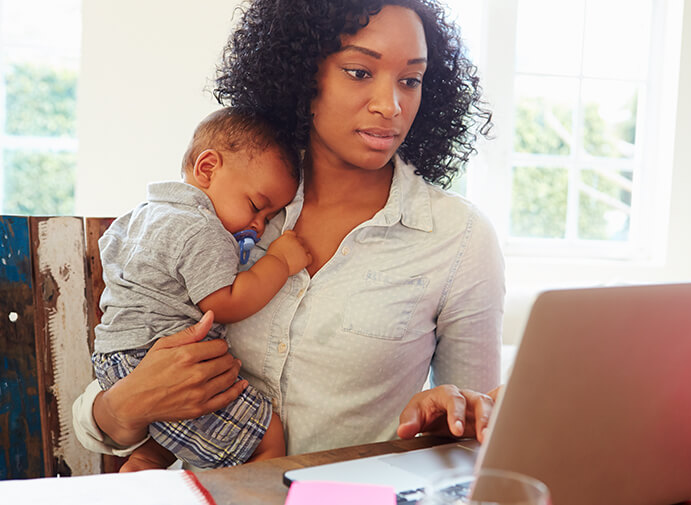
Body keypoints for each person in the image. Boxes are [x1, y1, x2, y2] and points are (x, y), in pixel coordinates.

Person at [72, 0, 505, 464]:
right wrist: (124, 408)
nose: (390, 105)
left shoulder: (458, 238)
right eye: (360, 72)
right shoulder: (232, 203)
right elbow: (108, 396)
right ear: (304, 74)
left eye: (410, 80)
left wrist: (441, 424)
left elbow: (473, 435)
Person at [90, 108, 312, 471]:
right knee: (267, 435)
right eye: (257, 207)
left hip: (116, 358)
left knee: (171, 438)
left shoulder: (141, 214)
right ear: (207, 168)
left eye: (270, 219)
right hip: (157, 359)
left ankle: (144, 462)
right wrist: (280, 262)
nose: (258, 226)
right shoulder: (202, 229)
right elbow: (226, 302)